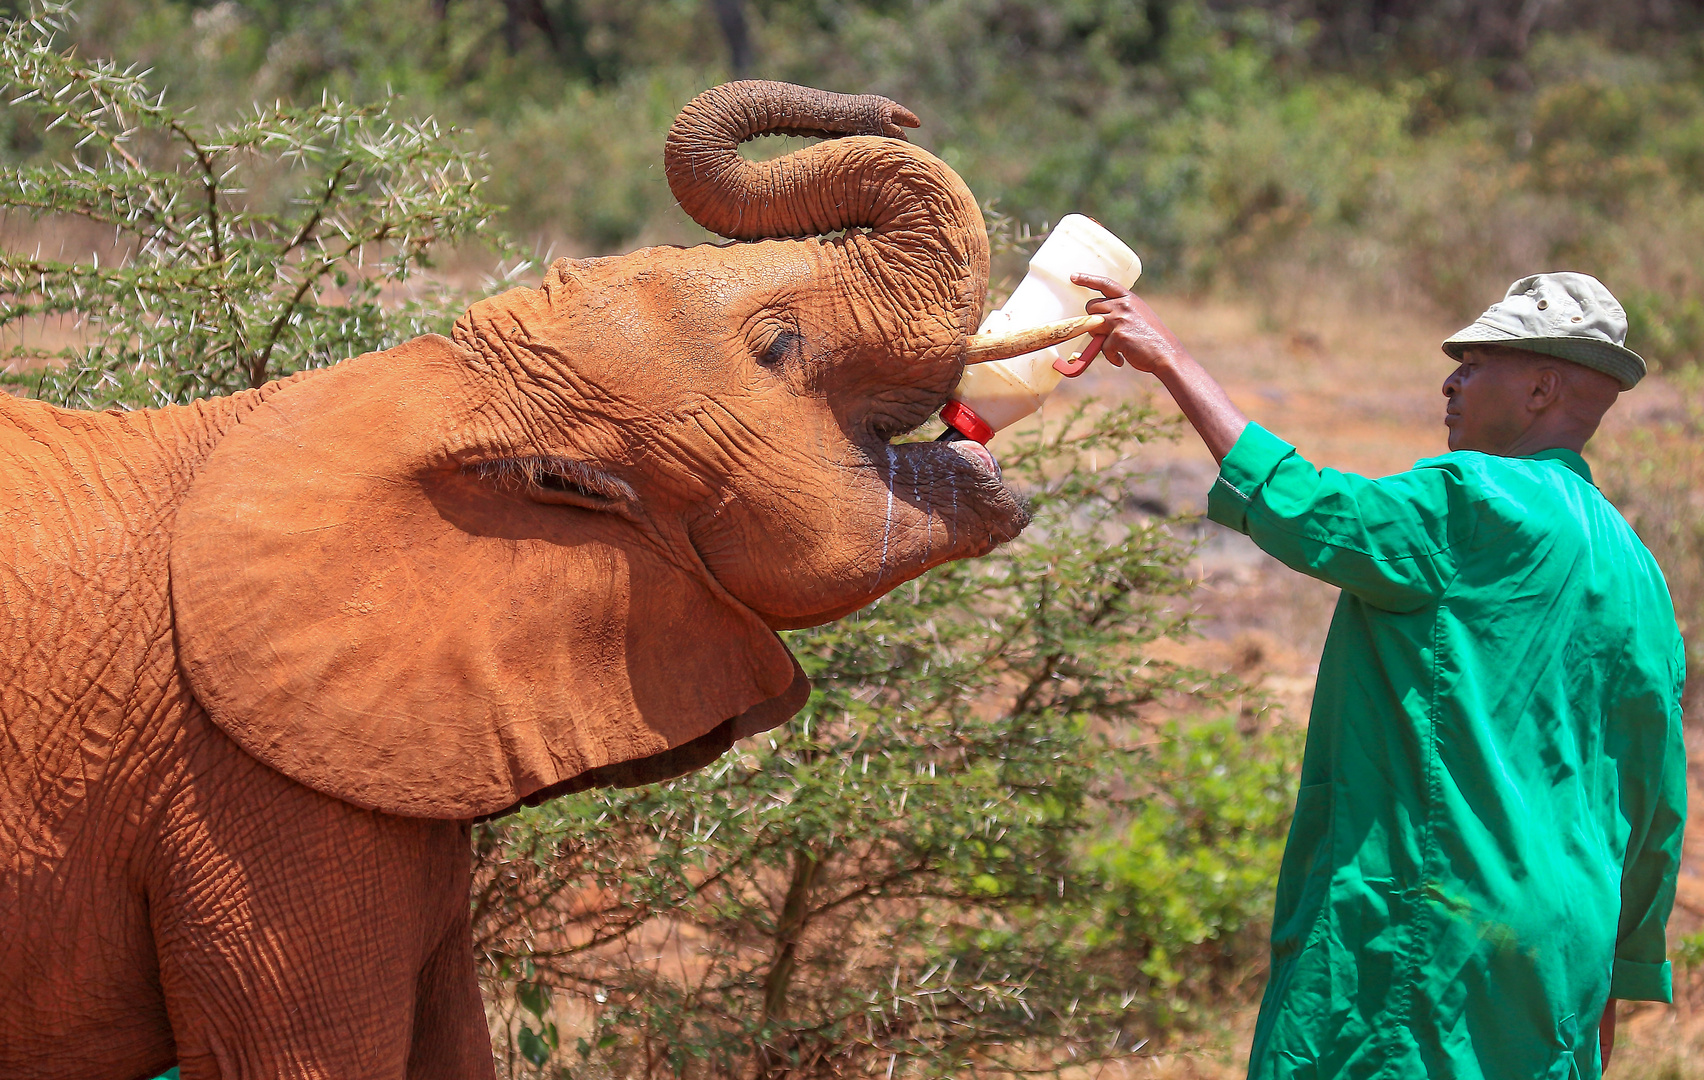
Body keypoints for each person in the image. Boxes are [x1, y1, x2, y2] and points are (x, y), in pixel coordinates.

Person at [1072, 270, 1687, 1080]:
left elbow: (1311, 510)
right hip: (1562, 955)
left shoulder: (1474, 497)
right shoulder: (1639, 572)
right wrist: (1614, 978)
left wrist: (1172, 360)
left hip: (1437, 929)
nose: (1451, 379)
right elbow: (1651, 803)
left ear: (1541, 386)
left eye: (1477, 363)